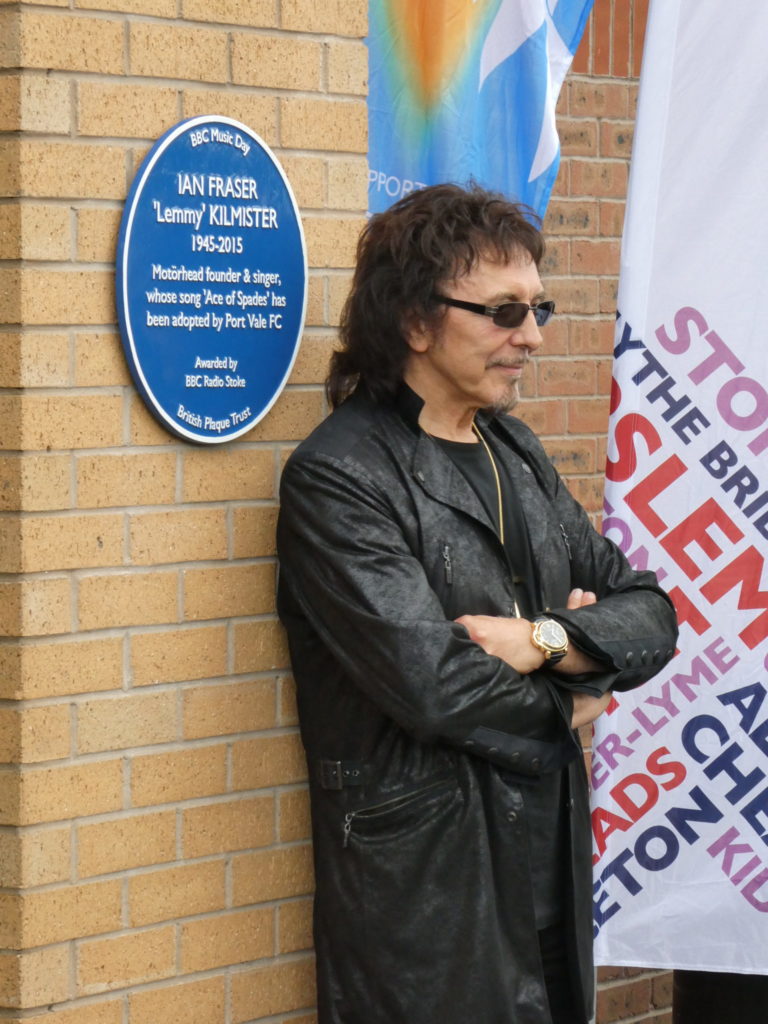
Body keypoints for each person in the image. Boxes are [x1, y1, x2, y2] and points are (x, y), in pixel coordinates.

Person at [276, 183, 678, 1024]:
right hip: (432, 898)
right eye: (501, 312)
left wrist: (543, 635)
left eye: (538, 308)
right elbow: (434, 683)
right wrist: (580, 690)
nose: (529, 336)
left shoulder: (516, 451)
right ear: (416, 320)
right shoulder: (341, 478)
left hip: (547, 872)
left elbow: (650, 611)